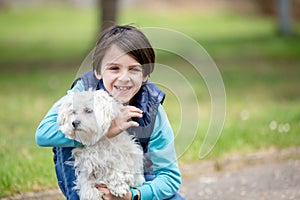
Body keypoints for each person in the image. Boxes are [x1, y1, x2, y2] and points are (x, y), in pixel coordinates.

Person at [35, 25, 185, 200]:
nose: (123, 78)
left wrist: (134, 195)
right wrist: (105, 130)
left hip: (133, 182)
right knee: (72, 126)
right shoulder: (81, 93)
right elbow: (42, 134)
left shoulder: (151, 108)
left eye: (134, 69)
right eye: (114, 68)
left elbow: (170, 177)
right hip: (88, 181)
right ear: (98, 71)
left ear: (145, 75)